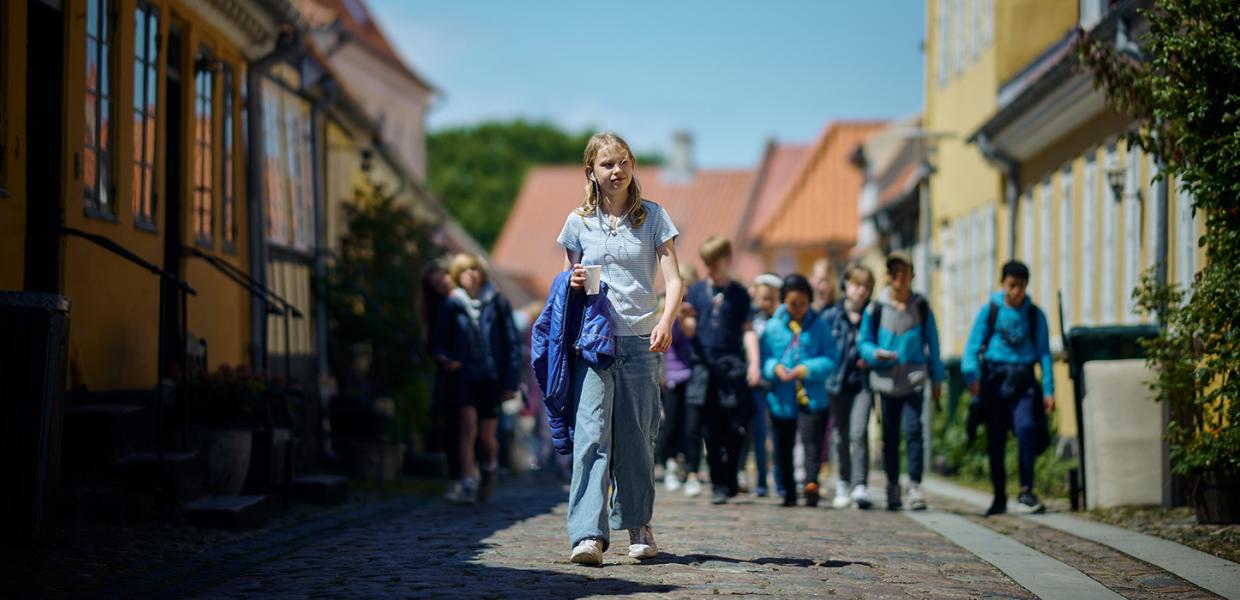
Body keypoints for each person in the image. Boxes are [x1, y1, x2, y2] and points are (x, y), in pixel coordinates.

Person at [557, 132, 683, 566]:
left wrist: (666, 320)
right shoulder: (577, 221)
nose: (617, 171)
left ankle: (639, 524)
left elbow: (675, 278)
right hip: (595, 342)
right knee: (592, 435)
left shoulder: (653, 217)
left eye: (623, 162)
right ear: (590, 171)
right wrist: (572, 280)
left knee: (637, 438)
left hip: (642, 339)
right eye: (607, 164)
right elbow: (568, 285)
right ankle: (588, 535)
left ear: (632, 166)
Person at [962, 260, 1055, 516]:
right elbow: (972, 347)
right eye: (1012, 285)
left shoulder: (1035, 315)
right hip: (995, 383)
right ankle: (999, 495)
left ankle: (1026, 490)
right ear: (1003, 283)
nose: (1016, 291)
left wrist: (1048, 389)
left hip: (1024, 382)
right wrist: (971, 377)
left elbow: (1045, 354)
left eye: (1021, 286)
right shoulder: (989, 311)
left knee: (1027, 430)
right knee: (996, 440)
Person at [432, 254, 521, 505]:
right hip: (464, 377)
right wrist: (445, 358)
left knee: (487, 437)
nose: (471, 274)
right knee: (466, 429)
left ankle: (490, 466)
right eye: (465, 270)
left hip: (491, 378)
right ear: (457, 275)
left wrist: (510, 382)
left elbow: (512, 343)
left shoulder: (498, 302)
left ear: (482, 273)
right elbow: (439, 341)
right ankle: (467, 480)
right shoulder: (451, 304)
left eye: (475, 269)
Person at [858, 251, 944, 511]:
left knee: (914, 432)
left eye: (903, 272)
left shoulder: (921, 306)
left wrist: (938, 377)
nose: (899, 277)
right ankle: (893, 485)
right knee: (890, 436)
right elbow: (863, 342)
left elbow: (934, 345)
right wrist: (875, 353)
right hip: (886, 381)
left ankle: (915, 486)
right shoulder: (876, 308)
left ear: (912, 276)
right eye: (894, 272)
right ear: (888, 276)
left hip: (914, 378)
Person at [684, 236, 753, 505]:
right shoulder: (698, 291)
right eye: (706, 263)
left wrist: (753, 364)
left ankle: (731, 474)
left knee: (735, 426)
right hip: (704, 368)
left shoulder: (739, 294)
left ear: (726, 260)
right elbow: (692, 331)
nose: (709, 268)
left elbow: (747, 331)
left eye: (713, 263)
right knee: (709, 430)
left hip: (731, 366)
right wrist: (683, 317)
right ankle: (718, 482)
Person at [760, 273, 836, 507]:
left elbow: (831, 359)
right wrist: (775, 369)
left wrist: (806, 369)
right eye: (793, 304)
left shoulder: (820, 325)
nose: (799, 309)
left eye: (803, 303)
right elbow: (764, 360)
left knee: (813, 443)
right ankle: (788, 489)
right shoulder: (772, 327)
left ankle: (811, 483)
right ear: (784, 301)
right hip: (782, 398)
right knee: (783, 446)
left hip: (812, 396)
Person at [822, 263, 876, 509]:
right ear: (846, 285)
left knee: (858, 432)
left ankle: (860, 484)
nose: (861, 291)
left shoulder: (874, 316)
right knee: (839, 435)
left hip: (862, 382)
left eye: (866, 286)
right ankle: (843, 481)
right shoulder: (832, 315)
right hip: (836, 382)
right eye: (856, 285)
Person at [656, 263, 704, 497]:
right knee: (671, 425)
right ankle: (671, 465)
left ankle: (692, 471)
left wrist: (683, 315)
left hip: (691, 376)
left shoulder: (692, 310)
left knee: (692, 427)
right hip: (671, 378)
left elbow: (691, 332)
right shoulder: (664, 307)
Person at [422, 262, 465, 502]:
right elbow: (434, 343)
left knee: (472, 428)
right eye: (436, 286)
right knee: (452, 428)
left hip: (473, 372)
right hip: (450, 375)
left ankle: (471, 472)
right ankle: (457, 477)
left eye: (443, 281)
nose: (441, 286)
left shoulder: (466, 300)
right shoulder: (437, 308)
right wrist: (443, 358)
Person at [740, 272, 783, 497]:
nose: (765, 302)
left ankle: (779, 479)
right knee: (757, 434)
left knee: (774, 435)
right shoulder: (752, 319)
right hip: (756, 384)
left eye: (770, 298)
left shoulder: (779, 321)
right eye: (761, 297)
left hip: (775, 382)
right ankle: (761, 482)